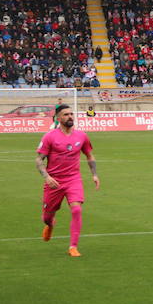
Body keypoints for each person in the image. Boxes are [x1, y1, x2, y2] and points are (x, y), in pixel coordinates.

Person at [35, 104, 100, 257]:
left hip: (73, 179)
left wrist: (95, 175)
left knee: (77, 209)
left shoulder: (82, 136)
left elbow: (89, 156)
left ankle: (73, 247)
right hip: (54, 182)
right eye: (66, 114)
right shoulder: (49, 136)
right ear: (58, 118)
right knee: (47, 217)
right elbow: (39, 160)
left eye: (71, 114)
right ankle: (50, 224)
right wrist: (47, 177)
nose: (70, 116)